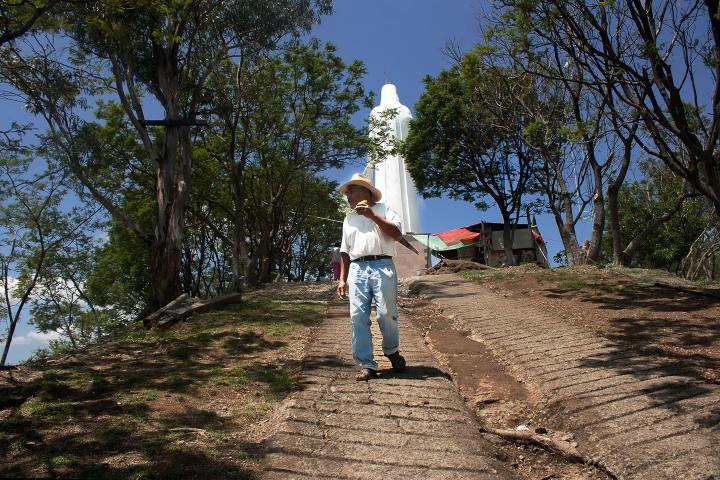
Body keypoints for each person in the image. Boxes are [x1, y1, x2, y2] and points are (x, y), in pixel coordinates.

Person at [336, 173, 407, 381]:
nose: (348, 195)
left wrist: (372, 216)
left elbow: (397, 234)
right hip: (357, 268)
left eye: (352, 190)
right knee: (357, 316)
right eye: (347, 192)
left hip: (383, 264)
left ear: (366, 191)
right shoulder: (348, 219)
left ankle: (392, 350)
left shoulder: (384, 210)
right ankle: (366, 363)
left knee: (386, 313)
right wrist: (342, 278)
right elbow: (344, 251)